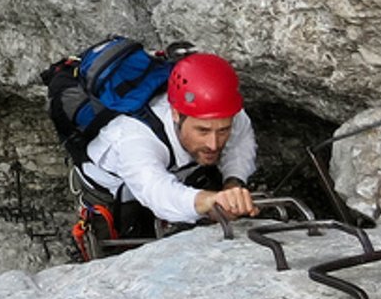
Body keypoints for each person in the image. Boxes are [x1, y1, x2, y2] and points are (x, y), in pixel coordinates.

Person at [74, 50, 258, 237]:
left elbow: (241, 141)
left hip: (176, 169)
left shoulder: (227, 114)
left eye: (223, 131)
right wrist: (210, 200)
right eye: (202, 131)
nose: (213, 144)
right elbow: (157, 191)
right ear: (176, 114)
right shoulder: (134, 137)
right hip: (116, 192)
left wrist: (233, 184)